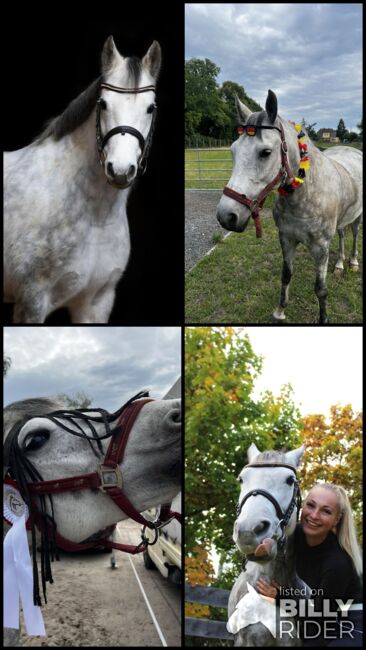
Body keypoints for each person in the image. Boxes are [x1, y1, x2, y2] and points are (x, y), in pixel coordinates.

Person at [256, 483, 362, 646]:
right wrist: (268, 545)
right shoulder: (297, 535)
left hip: (350, 622)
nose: (314, 515)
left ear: (336, 520)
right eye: (310, 505)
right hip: (319, 616)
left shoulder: (338, 563)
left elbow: (319, 615)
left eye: (326, 511)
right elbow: (276, 537)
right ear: (302, 506)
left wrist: (279, 598)